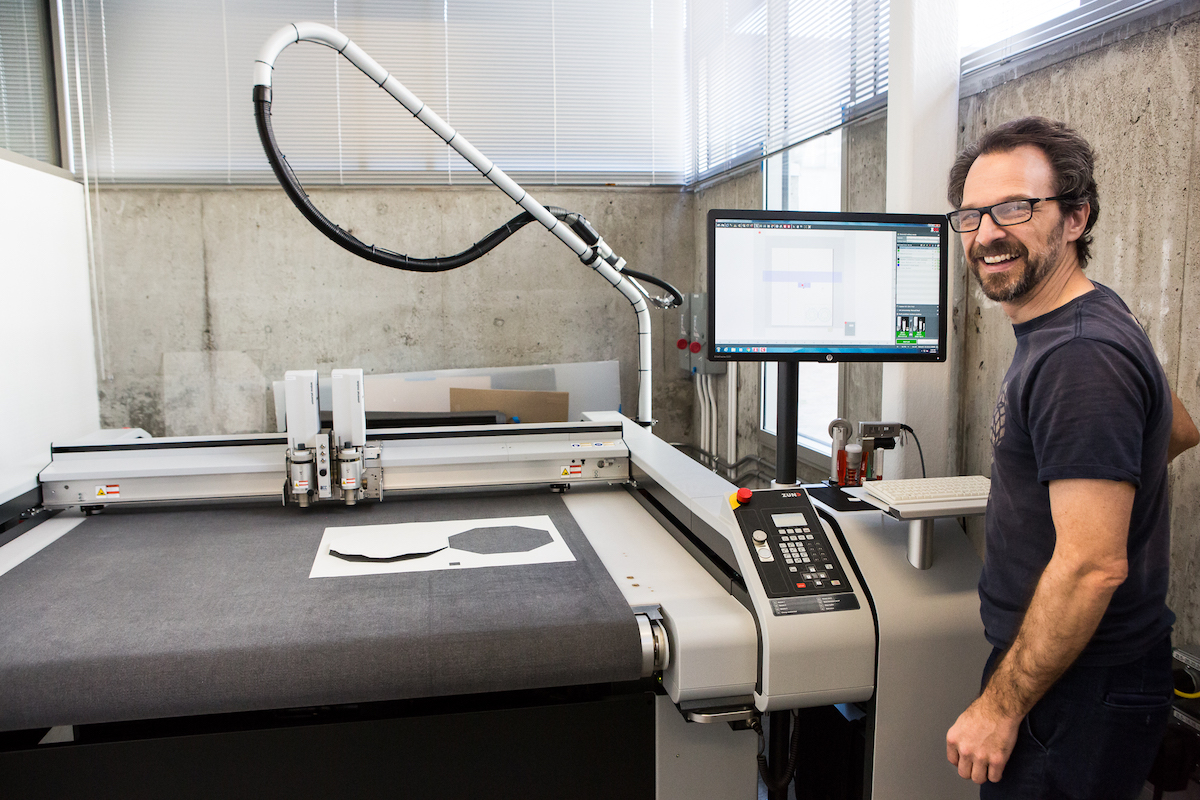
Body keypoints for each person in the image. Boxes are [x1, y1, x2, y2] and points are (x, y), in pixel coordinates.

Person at [942, 116, 1200, 799]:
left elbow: (1091, 566)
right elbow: (1175, 428)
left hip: (1077, 687)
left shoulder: (1078, 357)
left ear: (1077, 216)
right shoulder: (1085, 316)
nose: (988, 233)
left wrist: (1000, 707)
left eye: (1016, 208)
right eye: (972, 215)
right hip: (1076, 671)